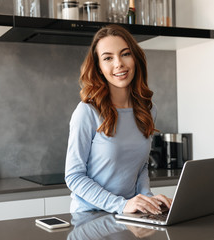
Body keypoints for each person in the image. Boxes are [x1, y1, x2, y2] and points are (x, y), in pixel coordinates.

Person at [65, 24, 172, 215]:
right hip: (90, 217)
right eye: (108, 58)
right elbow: (74, 176)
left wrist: (149, 199)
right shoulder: (87, 112)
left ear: (135, 59)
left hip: (129, 216)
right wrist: (121, 205)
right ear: (99, 67)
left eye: (125, 54)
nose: (119, 64)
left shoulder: (147, 110)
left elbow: (141, 167)